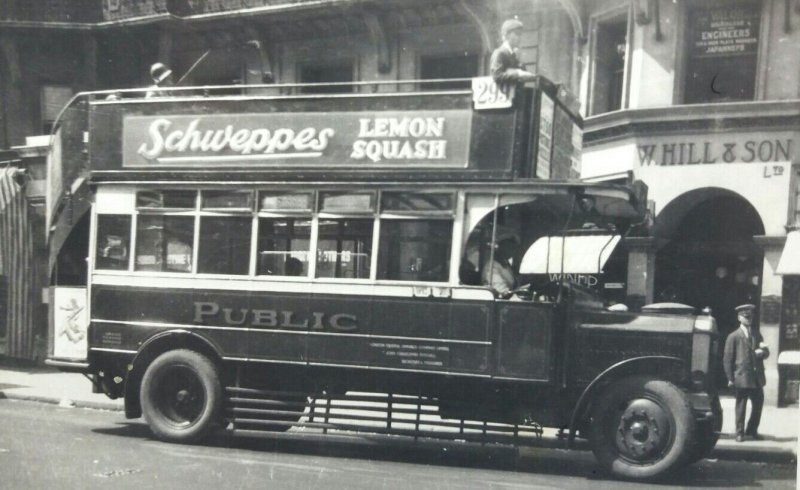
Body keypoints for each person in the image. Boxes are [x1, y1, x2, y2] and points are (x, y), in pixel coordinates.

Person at [723, 303, 769, 442]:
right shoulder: (734, 336)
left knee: (758, 403)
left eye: (750, 317)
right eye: (745, 316)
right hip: (742, 377)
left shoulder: (756, 334)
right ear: (739, 318)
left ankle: (752, 430)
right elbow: (727, 359)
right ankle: (739, 433)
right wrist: (730, 378)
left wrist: (763, 352)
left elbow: (766, 351)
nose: (748, 319)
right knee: (741, 406)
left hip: (756, 377)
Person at [489, 19, 537, 85]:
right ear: (507, 35)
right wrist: (517, 74)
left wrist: (520, 60)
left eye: (520, 35)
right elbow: (497, 76)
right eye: (517, 34)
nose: (520, 37)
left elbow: (524, 74)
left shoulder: (515, 55)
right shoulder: (499, 53)